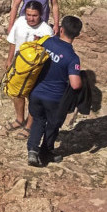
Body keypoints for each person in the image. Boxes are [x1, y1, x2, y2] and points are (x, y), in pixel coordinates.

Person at [26, 15, 83, 167]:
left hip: (36, 93)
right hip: (55, 99)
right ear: (77, 35)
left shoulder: (46, 41)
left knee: (38, 120)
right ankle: (46, 152)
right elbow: (75, 84)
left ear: (61, 29)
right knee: (52, 125)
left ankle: (32, 150)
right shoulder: (72, 58)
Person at [3, 0, 53, 136]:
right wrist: (9, 60)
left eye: (34, 15)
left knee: (33, 96)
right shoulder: (19, 22)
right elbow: (13, 41)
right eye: (29, 15)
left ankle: (30, 126)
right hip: (18, 65)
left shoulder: (46, 30)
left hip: (35, 70)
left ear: (40, 15)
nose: (31, 18)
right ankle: (20, 119)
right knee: (16, 93)